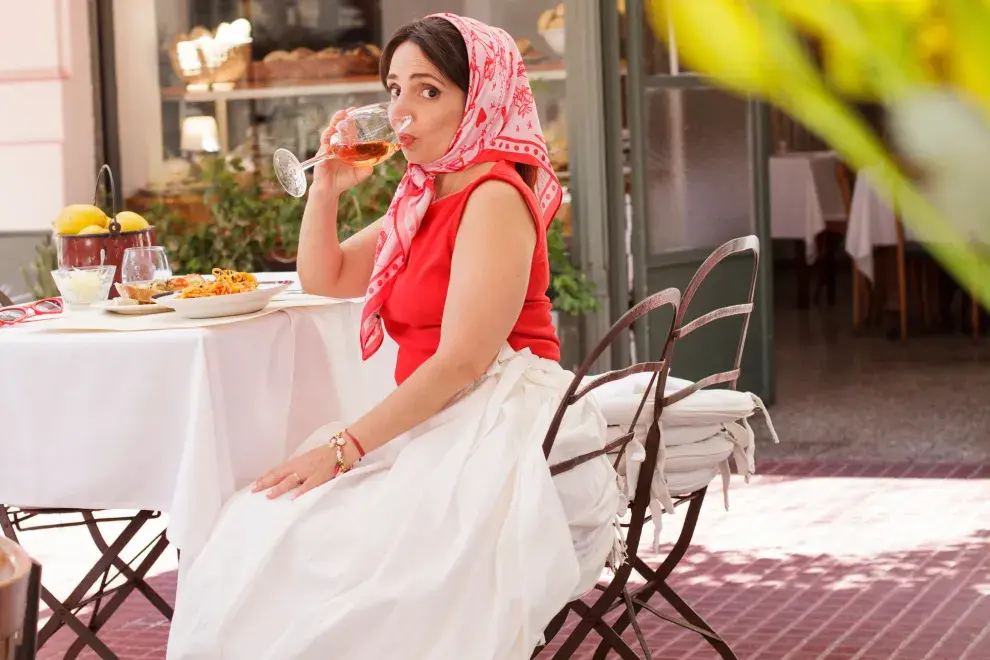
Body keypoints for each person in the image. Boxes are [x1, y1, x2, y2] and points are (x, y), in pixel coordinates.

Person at [166, 14, 620, 660]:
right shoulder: (425, 193)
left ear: (481, 98)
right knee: (261, 521)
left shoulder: (491, 196)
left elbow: (463, 362)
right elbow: (328, 278)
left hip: (496, 416)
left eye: (428, 91)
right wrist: (325, 189)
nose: (401, 110)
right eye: (394, 88)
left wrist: (343, 448)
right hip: (440, 417)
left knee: (310, 545)